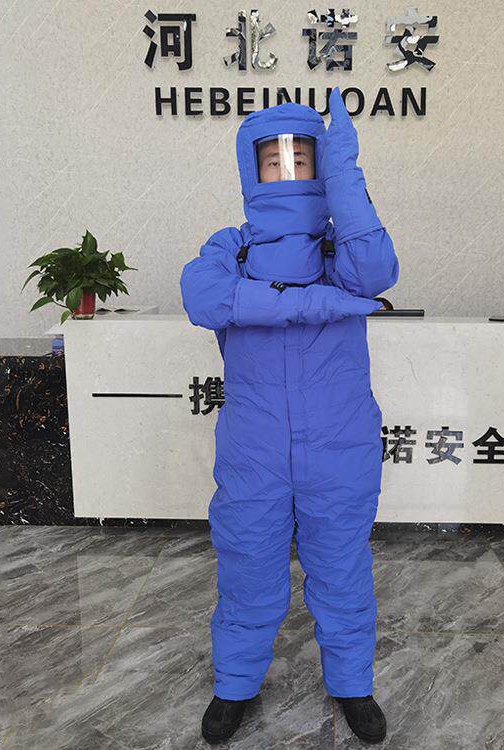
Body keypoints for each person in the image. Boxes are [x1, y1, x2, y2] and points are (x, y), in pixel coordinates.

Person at [180, 86, 399, 745]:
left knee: (342, 569)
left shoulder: (343, 251)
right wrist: (315, 306)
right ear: (250, 170)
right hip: (255, 448)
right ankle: (235, 686)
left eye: (302, 159)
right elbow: (202, 296)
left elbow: (379, 270)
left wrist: (347, 174)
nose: (287, 172)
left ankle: (353, 684)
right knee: (248, 568)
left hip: (340, 442)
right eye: (272, 161)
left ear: (320, 166)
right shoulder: (232, 247)